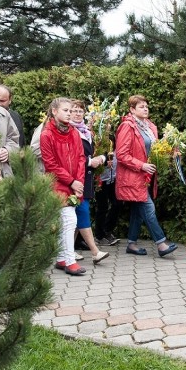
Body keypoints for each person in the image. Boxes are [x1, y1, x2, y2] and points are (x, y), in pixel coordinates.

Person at [114, 95, 177, 257]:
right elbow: (121, 154)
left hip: (147, 177)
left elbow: (155, 149)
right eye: (141, 106)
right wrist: (141, 165)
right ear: (132, 110)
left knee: (137, 209)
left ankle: (131, 244)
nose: (145, 108)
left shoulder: (150, 126)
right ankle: (161, 244)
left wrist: (171, 151)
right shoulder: (127, 126)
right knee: (148, 207)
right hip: (133, 176)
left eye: (146, 106)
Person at [39, 97, 87, 276]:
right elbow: (50, 165)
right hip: (58, 183)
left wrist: (79, 181)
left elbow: (81, 158)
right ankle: (70, 261)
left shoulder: (74, 132)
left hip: (75, 183)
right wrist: (71, 181)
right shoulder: (47, 134)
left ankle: (61, 258)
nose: (70, 113)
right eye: (66, 110)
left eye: (71, 110)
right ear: (54, 112)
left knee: (65, 221)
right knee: (69, 221)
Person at [69, 100, 109, 264]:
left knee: (77, 217)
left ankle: (66, 251)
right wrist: (88, 161)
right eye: (74, 110)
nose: (78, 114)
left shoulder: (86, 131)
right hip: (75, 178)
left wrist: (102, 158)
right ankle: (95, 251)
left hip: (87, 177)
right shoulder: (69, 131)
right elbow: (70, 156)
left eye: (80, 111)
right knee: (83, 212)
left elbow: (90, 153)